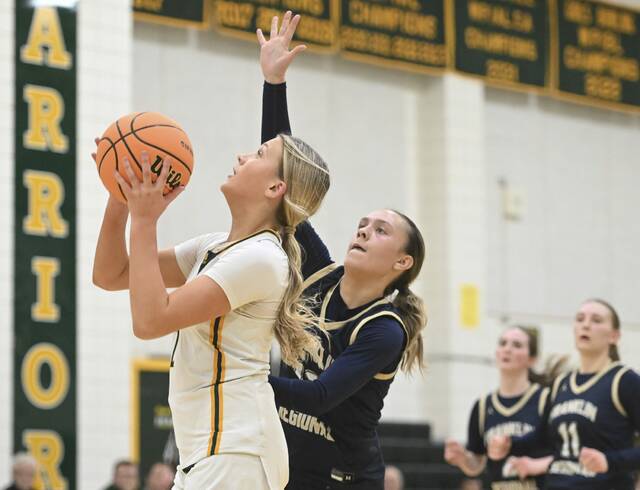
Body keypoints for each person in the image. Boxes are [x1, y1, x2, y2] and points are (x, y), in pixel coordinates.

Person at [92, 32, 331, 488]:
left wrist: (145, 219)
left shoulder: (263, 260)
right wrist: (120, 197)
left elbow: (149, 320)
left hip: (237, 448)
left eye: (259, 154)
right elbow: (111, 274)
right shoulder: (214, 246)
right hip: (212, 451)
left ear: (275, 188)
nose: (243, 155)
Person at [257, 13, 427, 489]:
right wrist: (274, 83)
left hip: (344, 479)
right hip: (287, 468)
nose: (364, 230)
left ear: (402, 262)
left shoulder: (384, 330)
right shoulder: (319, 274)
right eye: (362, 225)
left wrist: (239, 374)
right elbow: (283, 179)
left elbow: (319, 396)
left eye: (380, 230)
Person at [489, 299, 640, 489]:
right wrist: (510, 444)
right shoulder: (562, 383)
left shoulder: (624, 380)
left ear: (614, 336)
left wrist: (610, 461)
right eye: (580, 319)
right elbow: (542, 437)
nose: (585, 324)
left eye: (596, 320)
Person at [444, 326, 564, 489]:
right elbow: (477, 465)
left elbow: (566, 456)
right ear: (497, 353)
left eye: (517, 345)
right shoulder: (482, 406)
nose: (507, 349)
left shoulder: (546, 400)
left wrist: (532, 465)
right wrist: (463, 459)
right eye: (503, 343)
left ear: (532, 359)